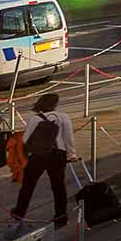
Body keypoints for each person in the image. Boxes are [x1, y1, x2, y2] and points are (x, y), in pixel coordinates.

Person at [13, 93, 77, 227]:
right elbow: (69, 138)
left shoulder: (34, 119)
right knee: (58, 186)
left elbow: (25, 140)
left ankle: (20, 211)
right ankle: (61, 216)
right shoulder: (64, 117)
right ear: (55, 104)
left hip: (39, 155)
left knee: (28, 185)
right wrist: (71, 154)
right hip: (58, 154)